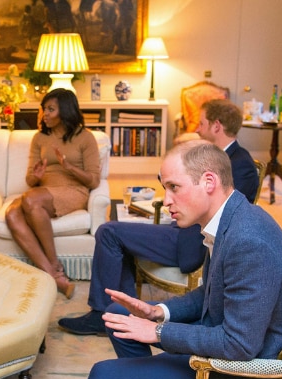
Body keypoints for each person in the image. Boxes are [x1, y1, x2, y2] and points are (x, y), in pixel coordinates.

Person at [86, 140, 282, 379]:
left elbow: (239, 344)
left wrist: (159, 332)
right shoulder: (230, 218)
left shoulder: (248, 241)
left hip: (240, 371)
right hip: (224, 333)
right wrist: (159, 312)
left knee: (102, 378)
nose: (166, 201)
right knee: (115, 314)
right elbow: (210, 293)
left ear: (208, 182)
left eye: (174, 187)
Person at [58, 99, 258, 335]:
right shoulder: (213, 155)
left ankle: (103, 315)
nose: (197, 128)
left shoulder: (241, 164)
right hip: (181, 229)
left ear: (216, 126)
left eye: (201, 123)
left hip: (192, 239)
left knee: (108, 231)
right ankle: (122, 312)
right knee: (119, 230)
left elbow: (226, 217)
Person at [5, 88, 101, 299]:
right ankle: (53, 275)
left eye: (50, 109)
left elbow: (94, 180)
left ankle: (55, 265)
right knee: (11, 214)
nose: (44, 114)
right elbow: (30, 180)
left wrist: (70, 168)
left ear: (65, 110)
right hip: (42, 192)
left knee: (30, 200)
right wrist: (36, 176)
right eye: (43, 109)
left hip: (73, 190)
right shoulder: (40, 138)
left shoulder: (85, 138)